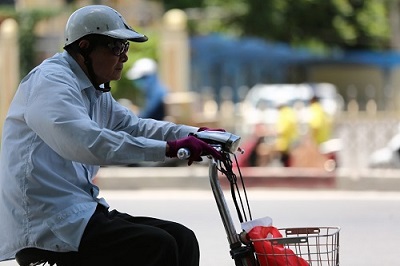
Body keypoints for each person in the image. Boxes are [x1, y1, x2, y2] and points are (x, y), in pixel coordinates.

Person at [0, 5, 222, 266]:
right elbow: (86, 142)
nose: (124, 57)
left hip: (80, 211)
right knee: (157, 246)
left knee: (182, 238)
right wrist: (171, 149)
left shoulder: (94, 91)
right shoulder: (51, 82)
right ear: (84, 47)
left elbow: (134, 126)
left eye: (125, 48)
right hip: (48, 220)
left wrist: (199, 135)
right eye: (116, 48)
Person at [274, 100, 299, 167]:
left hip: (285, 142)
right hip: (291, 141)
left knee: (285, 161)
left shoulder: (283, 114)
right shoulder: (290, 112)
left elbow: (282, 129)